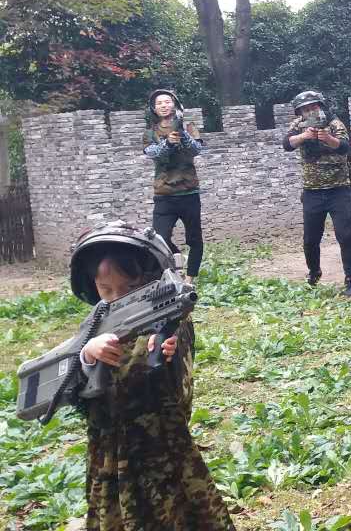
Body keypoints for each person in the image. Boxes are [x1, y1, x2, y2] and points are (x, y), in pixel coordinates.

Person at [68, 221, 236, 531]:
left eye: (128, 288)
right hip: (110, 452)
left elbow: (178, 378)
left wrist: (169, 346)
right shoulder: (96, 323)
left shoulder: (167, 317)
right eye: (106, 289)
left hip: (160, 450)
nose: (117, 297)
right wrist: (88, 354)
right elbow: (75, 389)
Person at [282, 91, 351, 296]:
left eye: (313, 107)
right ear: (300, 112)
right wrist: (304, 136)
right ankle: (314, 273)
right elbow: (286, 144)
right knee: (310, 239)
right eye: (305, 109)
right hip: (312, 192)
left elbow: (345, 147)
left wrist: (328, 139)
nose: (310, 112)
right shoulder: (298, 124)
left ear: (321, 106)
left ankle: (350, 279)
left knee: (345, 236)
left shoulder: (334, 123)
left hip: (338, 190)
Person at [143, 90, 205, 284]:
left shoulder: (189, 126)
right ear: (154, 109)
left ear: (175, 105)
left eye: (167, 102)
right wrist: (168, 143)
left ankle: (189, 280)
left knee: (194, 239)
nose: (164, 105)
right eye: (159, 103)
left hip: (189, 193)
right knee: (158, 239)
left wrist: (182, 134)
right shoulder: (150, 132)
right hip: (164, 194)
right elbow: (154, 153)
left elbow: (196, 150)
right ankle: (177, 265)